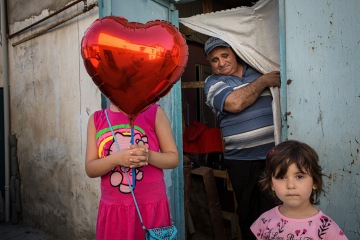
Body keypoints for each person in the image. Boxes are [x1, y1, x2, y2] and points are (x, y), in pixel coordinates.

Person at [203, 36, 281, 239]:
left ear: (235, 53)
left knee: (276, 210)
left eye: (225, 55)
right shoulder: (212, 82)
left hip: (272, 157)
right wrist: (263, 82)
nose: (221, 63)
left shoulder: (258, 67)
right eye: (214, 60)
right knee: (248, 214)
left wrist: (261, 77)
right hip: (240, 161)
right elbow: (234, 103)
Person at [85, 103, 179, 240]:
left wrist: (148, 156)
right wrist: (116, 159)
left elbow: (173, 158)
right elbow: (90, 169)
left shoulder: (155, 112)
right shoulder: (96, 119)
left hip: (151, 209)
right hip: (114, 211)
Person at [251, 140, 348, 239]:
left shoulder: (326, 228)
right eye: (282, 177)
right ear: (271, 184)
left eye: (299, 177)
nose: (290, 185)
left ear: (314, 181)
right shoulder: (265, 221)